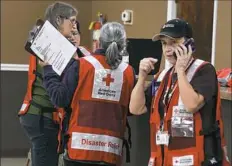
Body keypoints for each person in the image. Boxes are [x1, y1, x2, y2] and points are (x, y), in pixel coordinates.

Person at [129, 18, 230, 166]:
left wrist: (181, 71)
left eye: (174, 42)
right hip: (165, 158)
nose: (167, 49)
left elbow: (192, 104)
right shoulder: (163, 76)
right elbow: (136, 108)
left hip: (197, 158)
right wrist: (142, 77)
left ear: (189, 44)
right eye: (164, 43)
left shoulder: (204, 70)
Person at [41, 22, 135, 166]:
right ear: (124, 45)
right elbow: (131, 110)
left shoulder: (81, 65)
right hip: (111, 153)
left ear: (98, 43)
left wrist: (48, 70)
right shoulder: (128, 72)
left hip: (79, 151)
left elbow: (59, 99)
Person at [19, 2, 78, 166]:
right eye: (71, 21)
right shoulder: (52, 44)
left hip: (38, 114)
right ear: (59, 20)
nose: (74, 27)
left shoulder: (44, 38)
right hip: (42, 115)